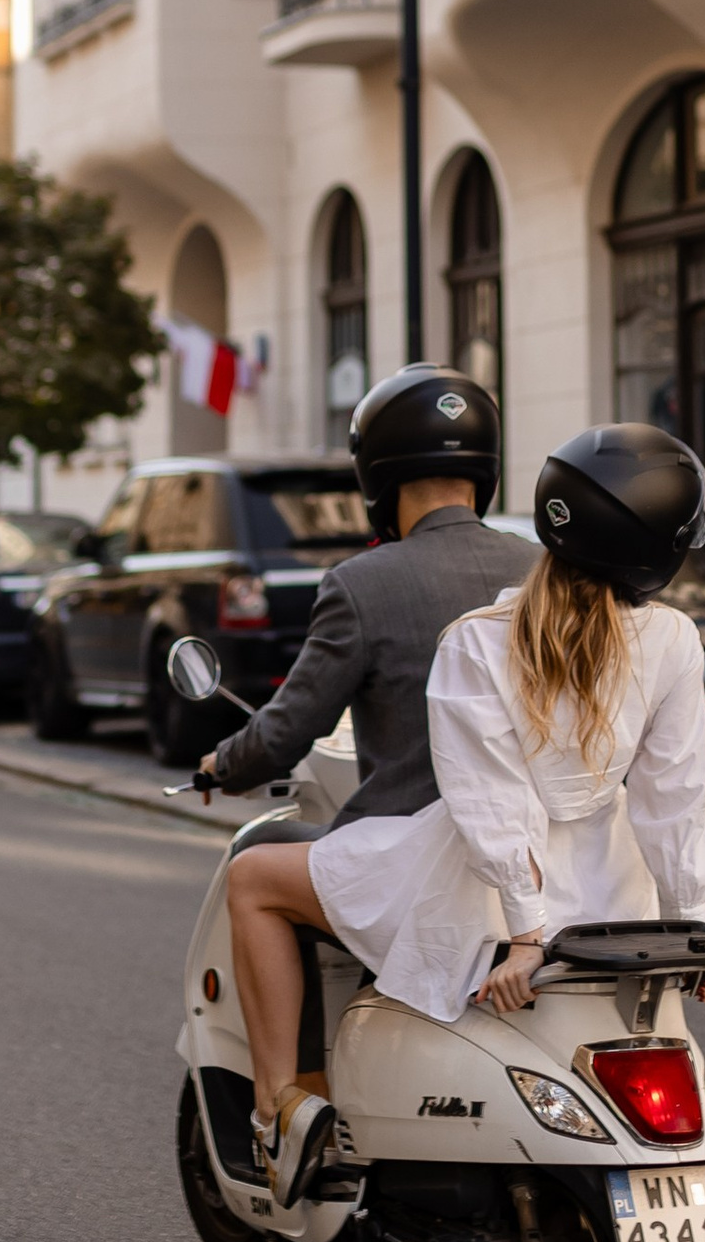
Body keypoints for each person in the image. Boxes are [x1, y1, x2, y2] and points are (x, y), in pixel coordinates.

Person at [226, 421, 705, 1200]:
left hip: (475, 893)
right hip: (611, 892)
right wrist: (692, 920)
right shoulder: (673, 638)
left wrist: (525, 936)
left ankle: (279, 1113)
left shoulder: (477, 641)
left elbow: (489, 801)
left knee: (254, 876)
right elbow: (674, 797)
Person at [210, 363, 525, 1194]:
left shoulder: (362, 583)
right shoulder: (550, 572)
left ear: (375, 478)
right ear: (485, 470)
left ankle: (282, 1106)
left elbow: (287, 730)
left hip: (427, 864)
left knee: (252, 879)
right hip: (549, 868)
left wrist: (221, 763)